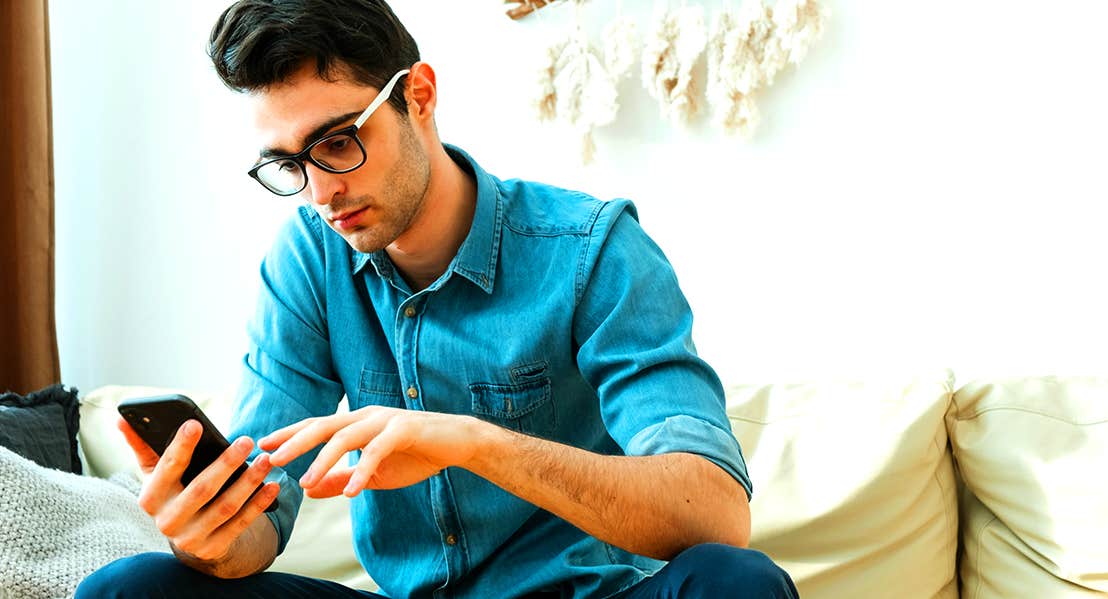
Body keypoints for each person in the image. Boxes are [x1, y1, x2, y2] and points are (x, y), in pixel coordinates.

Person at [77, 1, 798, 597]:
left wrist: (471, 441)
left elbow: (714, 509)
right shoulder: (308, 258)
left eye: (336, 142)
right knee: (132, 586)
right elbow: (262, 516)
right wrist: (209, 532)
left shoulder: (591, 250)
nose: (322, 191)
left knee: (734, 580)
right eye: (290, 163)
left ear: (417, 95)